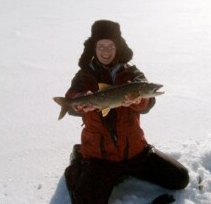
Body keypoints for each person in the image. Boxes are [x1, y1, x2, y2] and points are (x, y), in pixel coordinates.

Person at [64, 20, 189, 204]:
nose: (106, 51)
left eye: (110, 46)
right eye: (101, 46)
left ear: (118, 47)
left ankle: (126, 170)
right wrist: (78, 103)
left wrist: (139, 101)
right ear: (94, 48)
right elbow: (72, 98)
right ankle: (78, 159)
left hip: (135, 152)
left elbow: (148, 104)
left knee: (180, 179)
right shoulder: (84, 76)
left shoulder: (133, 74)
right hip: (100, 157)